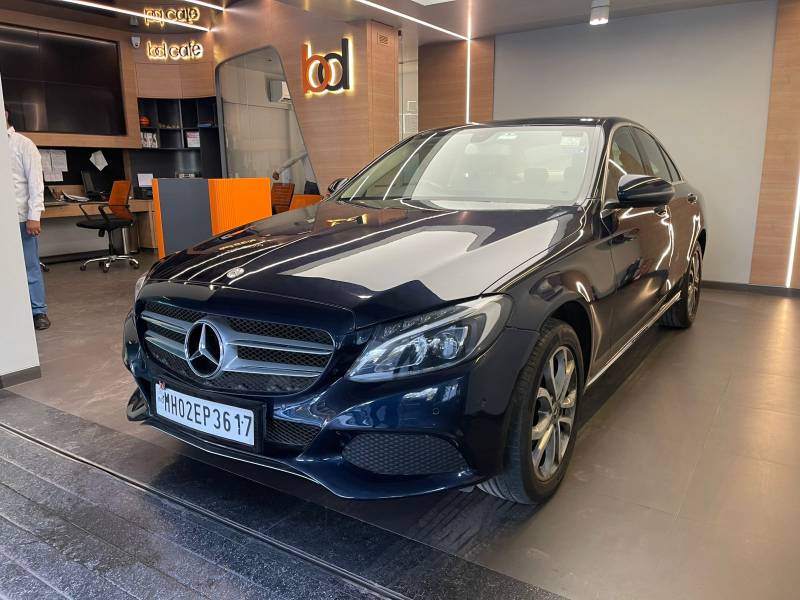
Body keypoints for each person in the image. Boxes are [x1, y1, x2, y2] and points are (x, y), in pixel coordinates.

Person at [7, 109, 49, 330]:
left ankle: (38, 311)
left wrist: (34, 216)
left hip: (21, 218)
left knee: (29, 266)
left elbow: (35, 183)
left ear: (5, 113)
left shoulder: (23, 144)